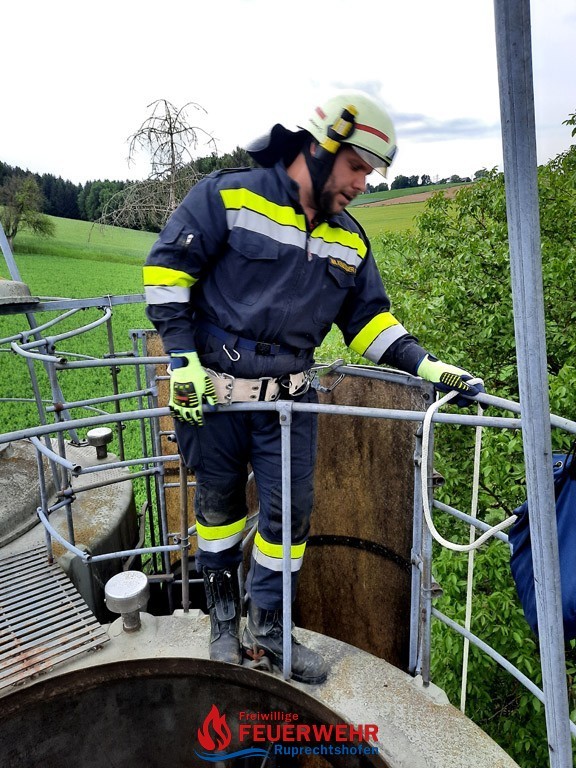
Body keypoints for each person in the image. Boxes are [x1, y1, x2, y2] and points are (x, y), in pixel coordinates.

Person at [143, 89, 483, 685]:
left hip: (290, 404)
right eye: (356, 166)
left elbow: (368, 322)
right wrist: (182, 358)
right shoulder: (230, 196)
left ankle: (270, 630)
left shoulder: (350, 239)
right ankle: (223, 625)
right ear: (323, 147)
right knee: (218, 515)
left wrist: (428, 367)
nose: (362, 184)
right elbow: (166, 272)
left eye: (370, 174)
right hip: (211, 397)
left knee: (288, 522)